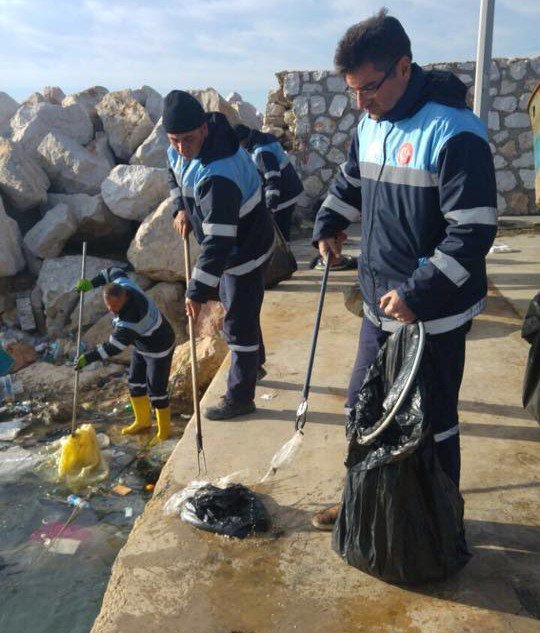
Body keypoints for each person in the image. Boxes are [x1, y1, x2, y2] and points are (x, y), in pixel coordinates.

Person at [311, 9, 497, 530]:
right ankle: (362, 501)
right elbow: (350, 182)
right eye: (352, 91)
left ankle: (438, 522)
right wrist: (329, 222)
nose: (361, 102)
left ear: (403, 68)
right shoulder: (370, 123)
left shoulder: (456, 133)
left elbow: (473, 232)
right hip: (379, 302)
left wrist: (420, 292)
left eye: (369, 88)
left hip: (431, 314)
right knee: (362, 408)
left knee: (433, 422)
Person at [164, 90, 274, 420]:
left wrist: (196, 291)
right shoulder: (181, 149)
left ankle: (241, 397)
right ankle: (256, 363)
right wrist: (179, 208)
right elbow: (173, 171)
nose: (182, 148)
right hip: (229, 246)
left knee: (237, 323)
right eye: (174, 140)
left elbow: (218, 243)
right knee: (240, 308)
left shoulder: (219, 175)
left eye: (188, 139)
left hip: (245, 250)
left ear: (204, 129)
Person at [73, 267, 175, 445]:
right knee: (135, 383)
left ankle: (163, 432)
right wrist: (91, 283)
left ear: (124, 298)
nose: (113, 310)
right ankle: (142, 422)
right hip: (141, 343)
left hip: (159, 346)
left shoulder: (131, 318)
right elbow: (111, 271)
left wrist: (87, 358)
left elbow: (112, 348)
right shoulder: (122, 284)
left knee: (156, 390)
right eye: (109, 306)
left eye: (116, 306)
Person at [233, 124, 303, 242]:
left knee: (280, 234)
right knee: (282, 232)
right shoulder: (265, 139)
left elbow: (272, 179)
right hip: (289, 190)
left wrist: (270, 206)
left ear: (242, 141)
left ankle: (284, 257)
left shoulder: (261, 152)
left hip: (283, 196)